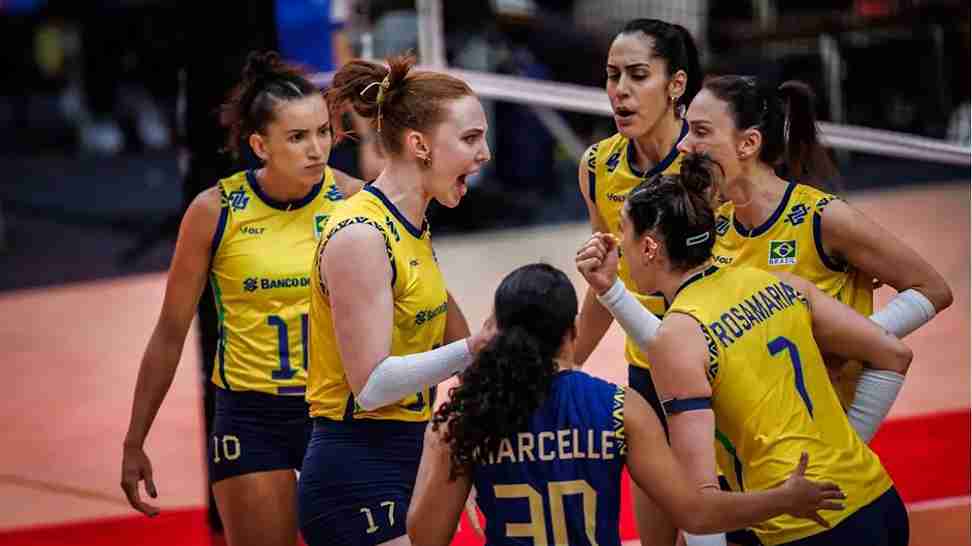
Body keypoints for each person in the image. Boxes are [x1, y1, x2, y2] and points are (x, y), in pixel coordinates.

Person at [576, 155, 913, 546]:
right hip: (878, 502)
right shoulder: (779, 283)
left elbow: (702, 510)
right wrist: (850, 444)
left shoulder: (678, 336)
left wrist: (785, 499)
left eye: (622, 232)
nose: (618, 245)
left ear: (650, 247)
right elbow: (894, 356)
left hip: (803, 525)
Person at [406, 263, 846, 546]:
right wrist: (785, 499)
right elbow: (696, 514)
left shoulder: (470, 419)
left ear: (496, 330)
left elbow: (425, 539)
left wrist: (437, 442)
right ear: (571, 334)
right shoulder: (621, 408)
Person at [120, 51, 362, 546]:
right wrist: (134, 438)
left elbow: (427, 303)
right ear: (259, 144)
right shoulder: (214, 213)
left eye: (323, 132)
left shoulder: (356, 201)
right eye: (297, 137)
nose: (317, 149)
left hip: (339, 410)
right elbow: (170, 332)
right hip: (252, 415)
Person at [677, 75, 953, 441]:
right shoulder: (717, 230)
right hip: (756, 439)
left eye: (700, 131)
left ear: (748, 143)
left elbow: (932, 288)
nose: (683, 144)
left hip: (823, 436)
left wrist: (852, 340)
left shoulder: (822, 218)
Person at [298, 54, 493, 546]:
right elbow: (372, 385)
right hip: (356, 465)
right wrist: (473, 350)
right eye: (470, 138)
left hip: (410, 452)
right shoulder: (361, 236)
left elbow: (457, 336)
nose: (485, 153)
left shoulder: (413, 225)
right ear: (419, 144)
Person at [575, 17, 706, 546]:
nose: (620, 91)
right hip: (647, 375)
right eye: (612, 76)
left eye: (636, 75)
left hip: (718, 372)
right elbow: (609, 283)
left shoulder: (708, 163)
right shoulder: (597, 166)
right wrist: (564, 365)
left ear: (676, 85)